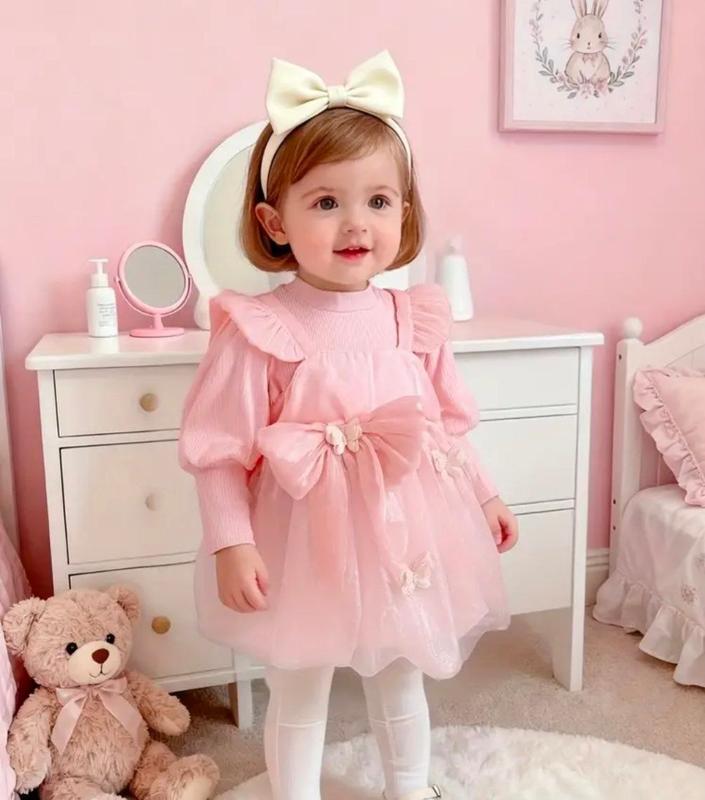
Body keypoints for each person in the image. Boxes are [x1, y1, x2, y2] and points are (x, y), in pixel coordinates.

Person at [179, 50, 518, 800]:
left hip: (404, 534)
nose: (356, 223)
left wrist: (486, 494)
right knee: (300, 684)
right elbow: (218, 453)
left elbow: (442, 426)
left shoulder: (412, 317)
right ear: (275, 221)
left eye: (378, 201)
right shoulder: (259, 328)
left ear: (405, 213)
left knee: (401, 674)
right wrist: (232, 541)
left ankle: (409, 788)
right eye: (326, 202)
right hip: (303, 539)